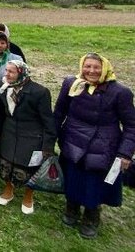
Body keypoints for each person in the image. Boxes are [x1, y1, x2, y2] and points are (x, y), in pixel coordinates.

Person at [54, 53, 135, 238]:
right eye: (87, 66)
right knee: (72, 177)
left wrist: (125, 153)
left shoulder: (120, 93)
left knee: (94, 184)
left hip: (103, 145)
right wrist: (52, 136)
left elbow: (131, 125)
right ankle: (72, 208)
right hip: (73, 139)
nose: (91, 71)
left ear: (105, 68)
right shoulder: (71, 84)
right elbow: (59, 112)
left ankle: (92, 216)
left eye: (96, 67)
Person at [0, 60, 56, 215]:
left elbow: (48, 120)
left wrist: (47, 145)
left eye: (11, 72)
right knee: (7, 162)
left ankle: (28, 195)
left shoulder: (39, 92)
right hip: (9, 131)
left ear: (21, 73)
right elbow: (1, 113)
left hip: (31, 135)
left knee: (29, 166)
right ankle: (9, 189)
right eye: (6, 71)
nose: (6, 74)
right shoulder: (3, 88)